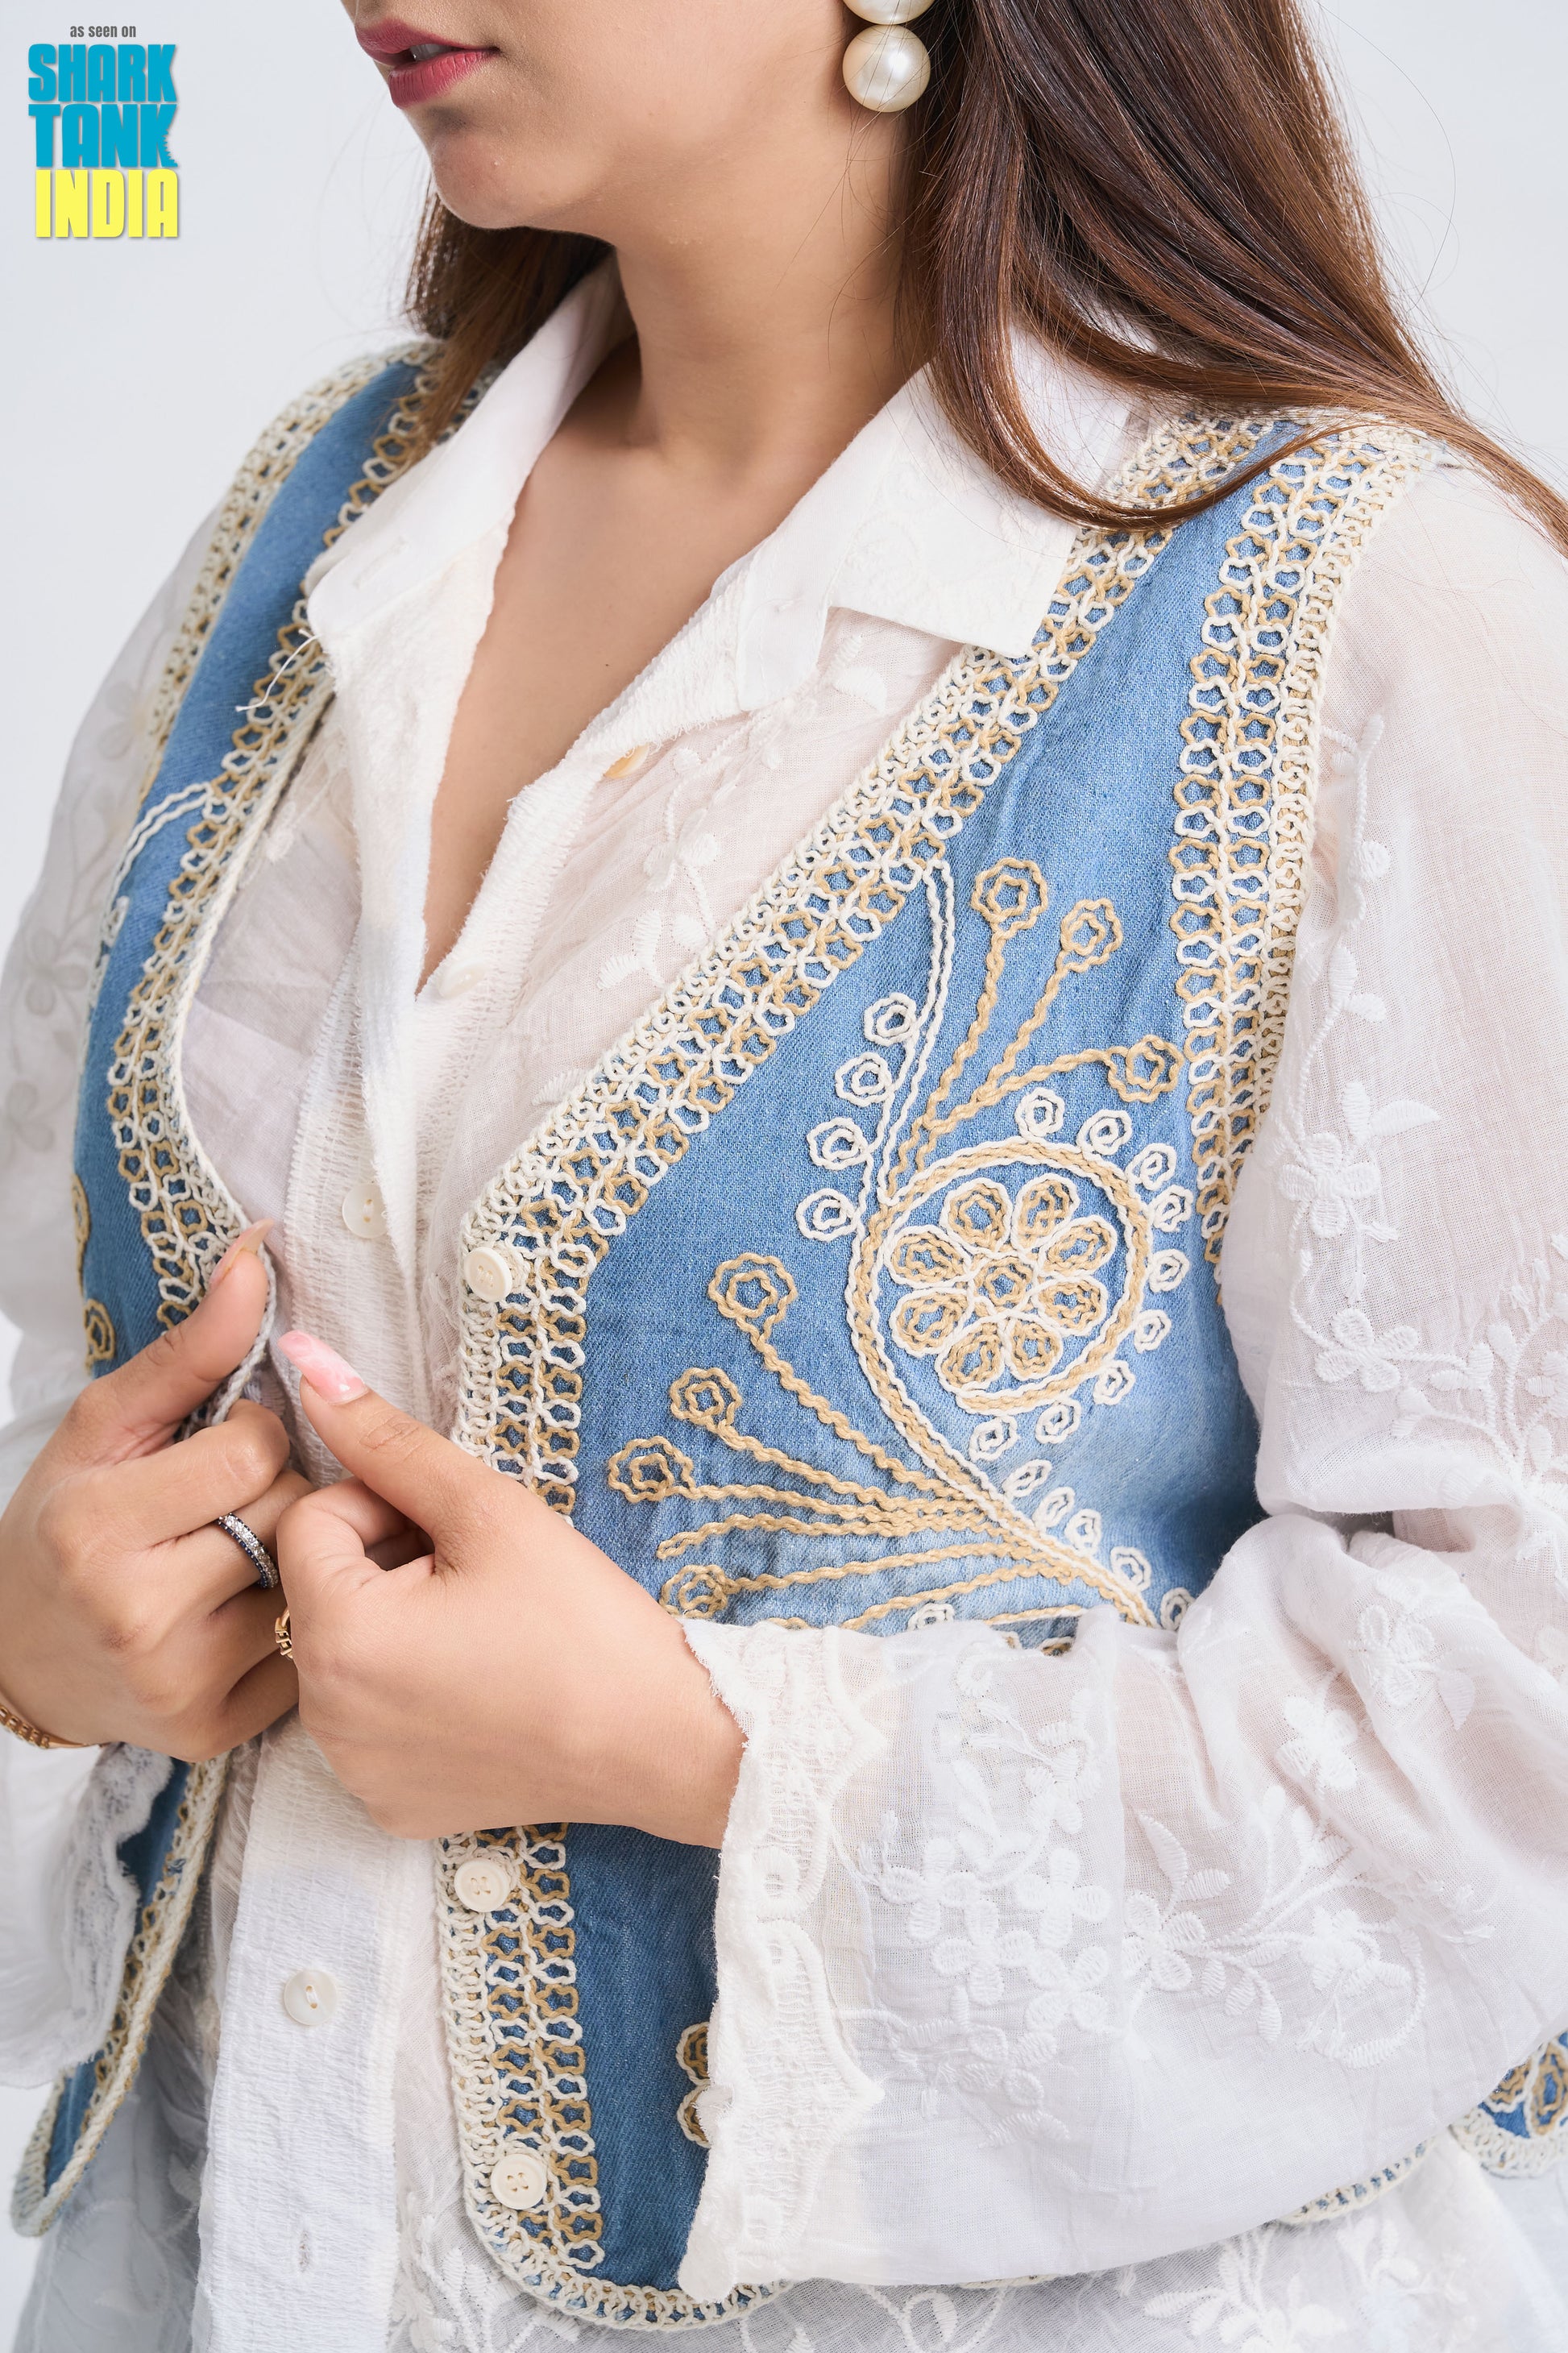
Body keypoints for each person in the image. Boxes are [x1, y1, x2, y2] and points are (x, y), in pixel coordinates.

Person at [2, 0, 1567, 2345]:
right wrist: (37, 1643)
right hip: (237, 2260)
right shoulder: (314, 523)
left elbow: (1515, 1702)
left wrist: (690, 1741)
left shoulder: (1365, 605)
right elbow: (64, 1331)